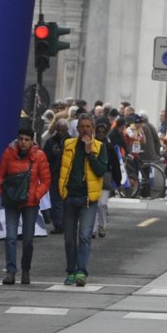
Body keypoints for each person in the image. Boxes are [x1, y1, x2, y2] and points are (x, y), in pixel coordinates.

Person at [0, 126, 52, 285]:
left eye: (27, 140)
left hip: (30, 203)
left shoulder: (39, 156)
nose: (23, 142)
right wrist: (4, 192)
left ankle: (25, 269)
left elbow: (46, 180)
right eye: (21, 139)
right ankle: (11, 272)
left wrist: (36, 194)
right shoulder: (8, 154)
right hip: (12, 202)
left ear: (32, 141)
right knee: (11, 238)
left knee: (28, 240)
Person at [57, 117, 109, 286]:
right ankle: (70, 270)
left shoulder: (99, 147)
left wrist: (89, 154)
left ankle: (81, 271)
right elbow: (62, 167)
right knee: (69, 238)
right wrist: (62, 191)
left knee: (84, 236)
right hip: (70, 195)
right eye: (82, 127)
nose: (85, 130)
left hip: (88, 198)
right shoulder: (69, 144)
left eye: (88, 127)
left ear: (93, 129)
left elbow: (101, 171)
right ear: (77, 129)